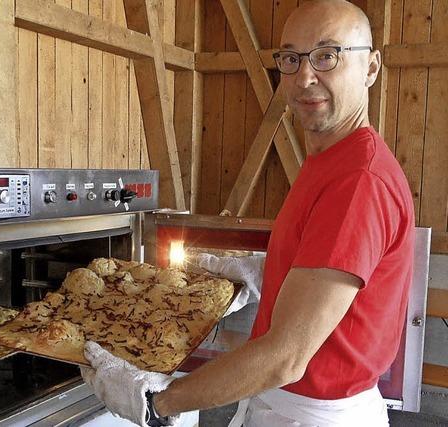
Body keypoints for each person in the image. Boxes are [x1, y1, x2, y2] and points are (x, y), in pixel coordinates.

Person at [80, 0, 415, 425]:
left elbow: (286, 357)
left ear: (370, 67)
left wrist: (155, 401)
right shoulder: (332, 160)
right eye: (291, 58)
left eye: (327, 56)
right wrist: (266, 272)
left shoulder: (358, 180)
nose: (305, 76)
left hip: (314, 414)